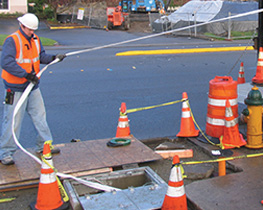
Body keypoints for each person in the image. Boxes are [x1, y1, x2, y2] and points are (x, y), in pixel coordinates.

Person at [0, 13, 66, 165]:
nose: (32, 32)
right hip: (14, 88)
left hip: (32, 87)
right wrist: (26, 75)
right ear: (22, 26)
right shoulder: (13, 40)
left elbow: (40, 56)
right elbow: (6, 63)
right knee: (12, 121)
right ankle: (5, 153)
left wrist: (54, 57)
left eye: (33, 30)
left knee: (40, 116)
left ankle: (44, 146)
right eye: (29, 29)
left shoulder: (35, 39)